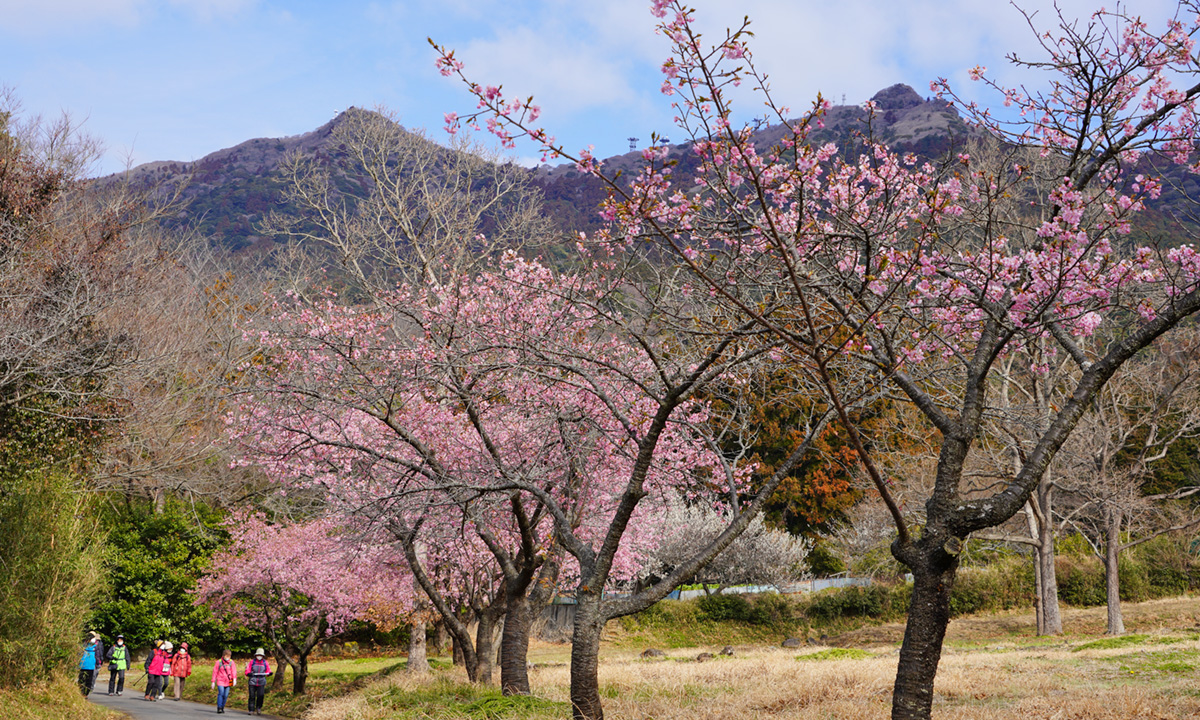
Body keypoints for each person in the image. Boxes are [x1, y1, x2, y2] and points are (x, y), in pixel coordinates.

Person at [244, 648, 272, 716]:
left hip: (261, 682)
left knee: (260, 696)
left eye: (260, 655)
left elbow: (268, 671)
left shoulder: (265, 663)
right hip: (252, 681)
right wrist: (248, 673)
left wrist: (269, 673)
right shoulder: (252, 662)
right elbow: (247, 670)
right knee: (252, 696)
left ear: (263, 656)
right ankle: (251, 709)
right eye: (258, 655)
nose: (259, 656)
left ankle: (259, 708)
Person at [211, 649, 237, 714]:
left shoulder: (231, 662)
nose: (227, 658)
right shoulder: (218, 662)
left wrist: (234, 679)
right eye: (226, 656)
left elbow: (233, 671)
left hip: (229, 681)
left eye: (229, 656)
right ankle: (219, 707)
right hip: (220, 680)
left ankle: (222, 707)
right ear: (223, 656)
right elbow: (215, 672)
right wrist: (213, 681)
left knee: (226, 695)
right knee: (221, 693)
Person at [77, 631, 101, 697]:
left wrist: (98, 664)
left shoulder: (95, 647)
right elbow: (78, 655)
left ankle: (85, 694)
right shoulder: (83, 647)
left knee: (88, 682)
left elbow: (97, 656)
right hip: (83, 666)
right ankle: (81, 693)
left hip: (91, 667)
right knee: (82, 681)